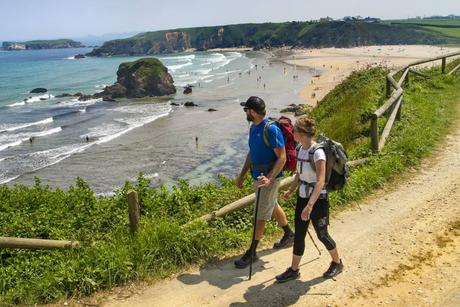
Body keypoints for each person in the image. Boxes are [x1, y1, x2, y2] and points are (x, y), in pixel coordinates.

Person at [275, 116, 343, 282]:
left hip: (317, 200)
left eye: (295, 130)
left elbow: (320, 181)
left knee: (322, 234)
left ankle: (337, 262)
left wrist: (309, 205)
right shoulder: (300, 148)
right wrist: (291, 190)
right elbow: (299, 173)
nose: (293, 132)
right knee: (299, 234)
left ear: (303, 133)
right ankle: (294, 269)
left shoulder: (318, 153)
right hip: (302, 197)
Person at [234, 96, 294, 269]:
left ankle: (252, 253)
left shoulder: (271, 129)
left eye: (246, 110)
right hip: (258, 176)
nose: (245, 112)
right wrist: (242, 175)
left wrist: (270, 178)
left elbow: (282, 157)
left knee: (260, 215)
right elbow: (251, 153)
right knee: (272, 205)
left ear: (253, 112)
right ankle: (289, 234)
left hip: (268, 179)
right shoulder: (254, 128)